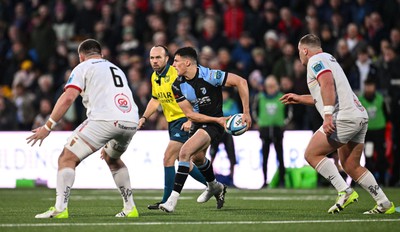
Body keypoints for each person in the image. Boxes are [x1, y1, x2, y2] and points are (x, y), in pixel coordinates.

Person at [280, 34, 395, 214]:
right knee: (351, 165)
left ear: (304, 50)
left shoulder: (315, 61)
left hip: (344, 117)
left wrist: (327, 117)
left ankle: (345, 191)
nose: (299, 56)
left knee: (311, 154)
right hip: (358, 115)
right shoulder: (329, 58)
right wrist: (300, 98)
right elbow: (326, 93)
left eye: (298, 52)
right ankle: (384, 203)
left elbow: (327, 85)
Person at [27, 39, 140, 218]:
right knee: (112, 158)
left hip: (104, 119)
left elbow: (68, 97)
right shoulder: (116, 68)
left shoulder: (83, 67)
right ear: (101, 54)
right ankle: (130, 208)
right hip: (131, 120)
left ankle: (60, 209)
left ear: (81, 57)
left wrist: (48, 126)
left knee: (67, 158)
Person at [159, 47, 252, 213]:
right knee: (198, 158)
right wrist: (218, 120)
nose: (173, 65)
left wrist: (246, 112)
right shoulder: (176, 86)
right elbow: (190, 114)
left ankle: (171, 201)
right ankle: (215, 186)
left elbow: (241, 82)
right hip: (206, 121)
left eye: (176, 61)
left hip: (214, 125)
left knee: (184, 152)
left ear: (187, 63)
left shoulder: (210, 75)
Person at [138, 45, 208, 210]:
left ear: (167, 59)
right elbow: (155, 100)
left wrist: (191, 118)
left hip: (184, 120)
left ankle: (166, 200)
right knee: (185, 162)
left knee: (168, 157)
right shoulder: (155, 77)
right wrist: (144, 117)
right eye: (152, 58)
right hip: (172, 122)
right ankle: (214, 185)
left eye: (158, 58)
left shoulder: (177, 73)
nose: (154, 61)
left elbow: (195, 95)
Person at [253, 75, 286, 188]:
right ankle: (264, 180)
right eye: (269, 86)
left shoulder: (282, 97)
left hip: (278, 130)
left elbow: (289, 111)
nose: (271, 88)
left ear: (277, 87)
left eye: (273, 86)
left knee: (280, 156)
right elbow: (254, 110)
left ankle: (282, 181)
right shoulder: (260, 97)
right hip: (265, 130)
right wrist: (260, 121)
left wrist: (284, 122)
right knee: (265, 157)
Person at [358, 78, 389, 186]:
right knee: (368, 155)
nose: (369, 88)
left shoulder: (380, 99)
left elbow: (386, 114)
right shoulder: (360, 100)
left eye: (371, 86)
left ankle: (382, 179)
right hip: (368, 132)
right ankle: (370, 181)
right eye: (367, 86)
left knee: (381, 154)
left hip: (379, 131)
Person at [209, 87, 239, 185]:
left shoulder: (231, 103)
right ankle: (208, 179)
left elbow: (235, 116)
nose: (224, 95)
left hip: (227, 132)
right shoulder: (216, 102)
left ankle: (232, 178)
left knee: (231, 155)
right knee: (212, 154)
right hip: (216, 131)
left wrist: (221, 117)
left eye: (225, 93)